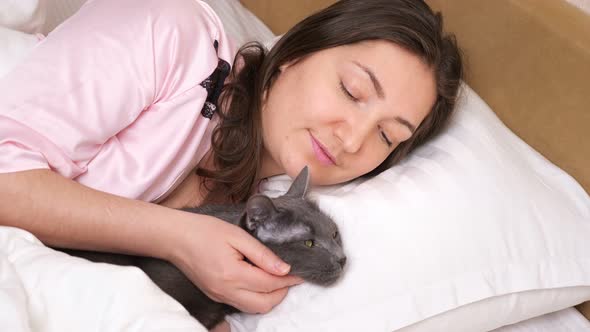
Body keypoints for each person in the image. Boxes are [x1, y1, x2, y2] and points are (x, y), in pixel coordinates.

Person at [0, 0, 462, 329]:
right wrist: (177, 236)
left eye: (387, 136)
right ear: (294, 55)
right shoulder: (171, 29)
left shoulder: (273, 212)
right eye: (352, 90)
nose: (353, 138)